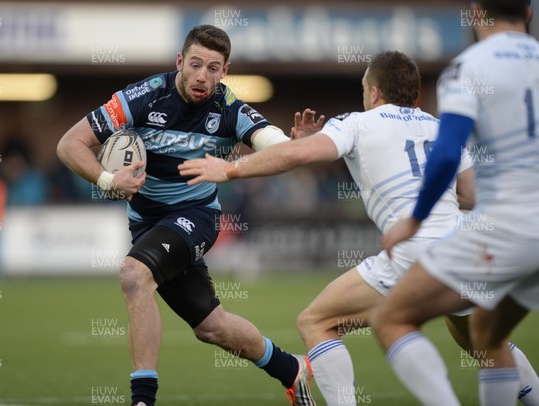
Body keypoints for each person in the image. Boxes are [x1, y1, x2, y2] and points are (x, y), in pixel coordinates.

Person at [178, 50, 539, 405]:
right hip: (465, 246)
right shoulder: (440, 127)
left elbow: (295, 156)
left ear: (375, 92)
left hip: (414, 250)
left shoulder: (356, 122)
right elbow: (472, 194)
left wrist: (231, 169)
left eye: (365, 88)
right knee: (479, 341)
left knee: (316, 321)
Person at [57, 25, 316, 406]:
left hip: (196, 216)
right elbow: (69, 144)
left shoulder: (229, 108)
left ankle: (142, 400)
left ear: (225, 71)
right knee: (211, 327)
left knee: (134, 275)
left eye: (213, 68)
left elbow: (269, 141)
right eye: (195, 65)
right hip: (148, 224)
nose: (202, 76)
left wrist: (293, 146)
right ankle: (291, 369)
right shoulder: (142, 97)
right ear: (180, 62)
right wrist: (108, 179)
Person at [370, 1, 539, 405]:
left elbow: (446, 155)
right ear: (529, 13)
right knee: (487, 333)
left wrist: (414, 219)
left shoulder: (467, 68)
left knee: (391, 318)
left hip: (510, 227)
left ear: (476, 13)